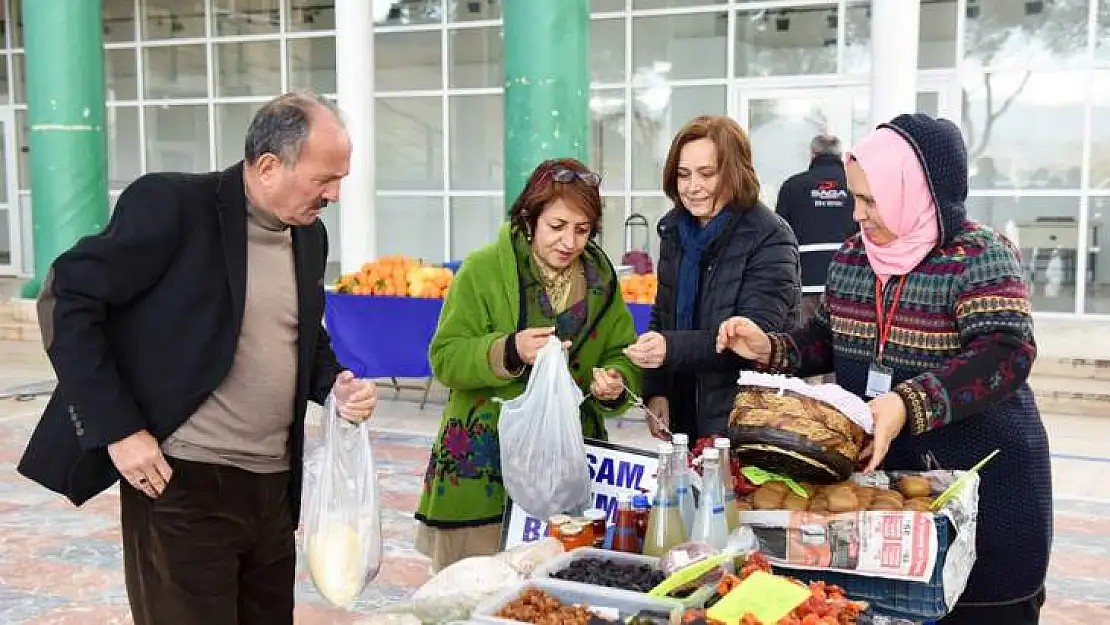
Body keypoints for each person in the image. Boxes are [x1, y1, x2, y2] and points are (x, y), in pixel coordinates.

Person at [17, 91, 380, 625]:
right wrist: (119, 431)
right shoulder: (173, 205)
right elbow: (68, 301)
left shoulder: (309, 236)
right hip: (182, 482)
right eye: (325, 179)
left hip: (273, 490)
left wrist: (334, 386)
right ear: (269, 165)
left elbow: (300, 335)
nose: (336, 195)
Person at [717, 113, 1052, 624]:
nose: (857, 214)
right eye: (856, 198)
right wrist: (770, 347)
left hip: (986, 499)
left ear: (919, 193)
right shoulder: (854, 257)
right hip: (886, 503)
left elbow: (1005, 354)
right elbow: (826, 340)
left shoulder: (979, 257)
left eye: (870, 200)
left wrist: (906, 402)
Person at [414, 158, 641, 572]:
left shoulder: (601, 282)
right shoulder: (483, 271)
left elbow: (621, 352)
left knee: (553, 598)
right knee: (473, 596)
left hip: (565, 468)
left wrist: (615, 380)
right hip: (483, 468)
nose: (569, 242)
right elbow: (444, 357)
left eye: (582, 229)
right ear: (529, 218)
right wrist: (508, 350)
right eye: (557, 226)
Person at [624, 114, 801, 442]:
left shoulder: (769, 236)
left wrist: (669, 348)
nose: (693, 187)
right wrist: (657, 390)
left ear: (734, 173)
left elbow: (755, 339)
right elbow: (662, 317)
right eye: (683, 174)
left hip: (747, 419)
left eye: (707, 174)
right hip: (685, 416)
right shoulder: (675, 232)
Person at [775, 134, 857, 328]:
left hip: (805, 287)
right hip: (847, 287)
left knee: (805, 348)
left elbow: (778, 236)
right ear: (841, 155)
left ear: (812, 154)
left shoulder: (792, 186)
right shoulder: (855, 186)